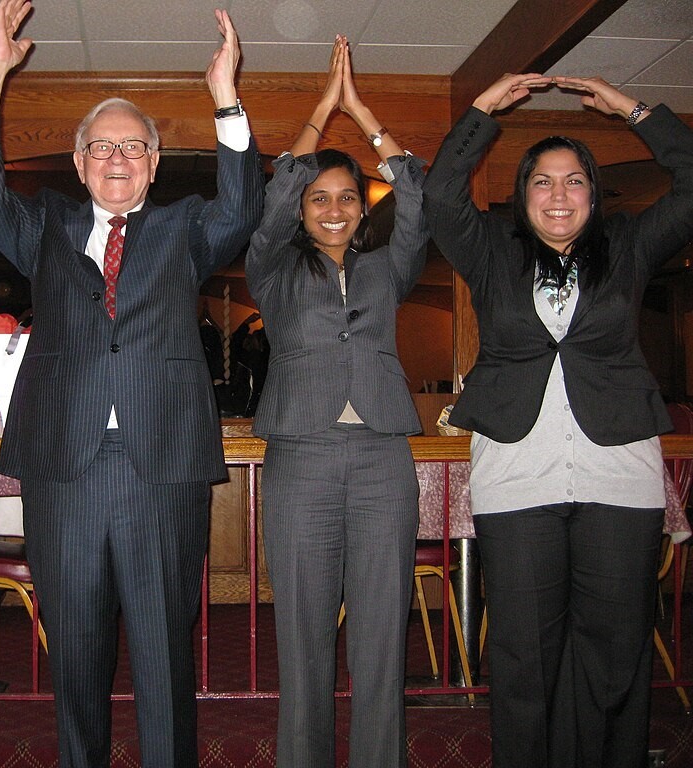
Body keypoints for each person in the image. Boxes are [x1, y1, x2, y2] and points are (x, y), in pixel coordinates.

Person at [0, 1, 263, 765]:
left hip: (162, 466)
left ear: (154, 164)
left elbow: (245, 203)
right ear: (79, 160)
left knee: (163, 651)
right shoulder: (45, 229)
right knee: (76, 653)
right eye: (100, 147)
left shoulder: (186, 230)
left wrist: (226, 95)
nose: (116, 159)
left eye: (132, 147)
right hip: (66, 468)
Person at [422, 73, 693, 768]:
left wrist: (634, 108)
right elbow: (439, 195)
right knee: (523, 658)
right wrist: (482, 109)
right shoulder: (490, 249)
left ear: (595, 196)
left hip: (618, 478)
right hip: (517, 478)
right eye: (543, 182)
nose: (559, 195)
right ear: (522, 194)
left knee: (615, 657)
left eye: (575, 181)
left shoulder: (629, 247)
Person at [245, 37, 426, 768]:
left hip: (384, 459)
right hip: (303, 456)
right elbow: (275, 195)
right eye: (319, 198)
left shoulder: (389, 268)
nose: (332, 209)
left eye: (346, 197)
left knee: (383, 634)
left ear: (362, 208)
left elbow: (415, 195)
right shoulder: (271, 269)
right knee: (305, 635)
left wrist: (363, 112)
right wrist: (323, 109)